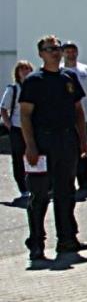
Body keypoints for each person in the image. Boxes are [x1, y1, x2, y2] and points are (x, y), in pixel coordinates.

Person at [18, 37, 87, 261]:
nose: (55, 52)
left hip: (66, 140)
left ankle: (67, 239)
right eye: (49, 49)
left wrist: (83, 139)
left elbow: (78, 110)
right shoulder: (33, 81)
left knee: (66, 192)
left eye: (57, 48)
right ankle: (37, 243)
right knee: (39, 195)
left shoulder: (69, 77)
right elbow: (25, 115)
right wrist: (30, 145)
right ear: (40, 53)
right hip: (42, 142)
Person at [61, 42, 87, 194]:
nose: (71, 54)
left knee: (84, 149)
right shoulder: (59, 71)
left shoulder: (86, 70)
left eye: (73, 51)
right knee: (67, 151)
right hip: (65, 119)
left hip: (84, 117)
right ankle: (66, 182)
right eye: (67, 51)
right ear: (63, 54)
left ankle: (84, 180)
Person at [3, 60, 32, 204]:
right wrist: (9, 125)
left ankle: (37, 185)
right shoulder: (13, 89)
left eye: (27, 69)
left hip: (33, 128)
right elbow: (3, 109)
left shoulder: (35, 88)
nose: (25, 72)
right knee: (19, 159)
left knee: (36, 157)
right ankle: (23, 188)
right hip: (17, 128)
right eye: (22, 69)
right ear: (17, 73)